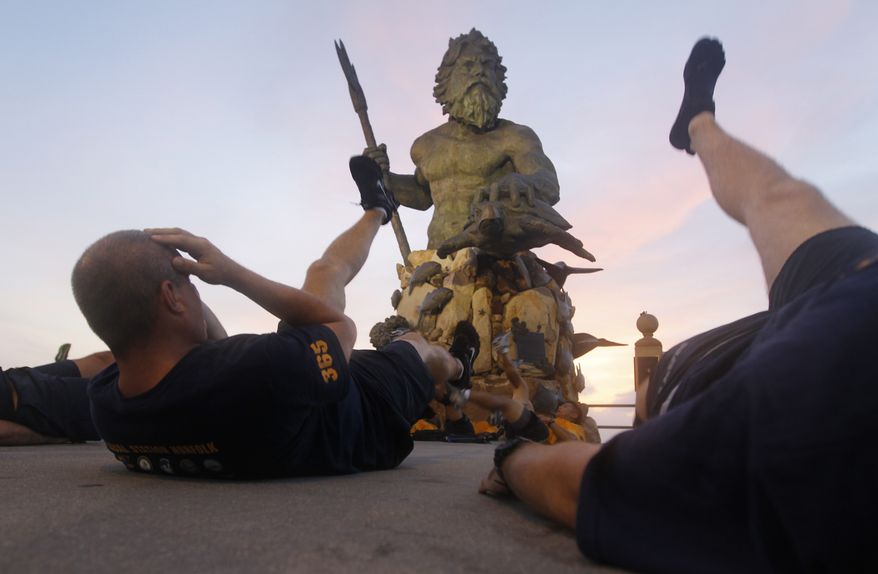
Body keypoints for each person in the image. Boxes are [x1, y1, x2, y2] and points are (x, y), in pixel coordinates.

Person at [478, 38, 878, 572]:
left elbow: (586, 489)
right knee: (783, 198)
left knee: (655, 390)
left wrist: (514, 459)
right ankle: (699, 123)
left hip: (773, 375)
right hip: (858, 291)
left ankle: (699, 126)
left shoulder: (789, 435)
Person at [72, 156, 479, 479]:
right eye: (189, 287)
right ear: (170, 298)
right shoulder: (260, 366)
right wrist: (231, 274)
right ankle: (461, 366)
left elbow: (206, 355)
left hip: (289, 395)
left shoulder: (108, 404)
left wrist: (174, 283)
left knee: (321, 275)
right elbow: (340, 328)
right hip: (364, 414)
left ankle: (377, 209)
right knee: (414, 346)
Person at [366, 29, 560, 249]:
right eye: (468, 66)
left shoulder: (514, 137)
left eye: (487, 66)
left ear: (499, 80)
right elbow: (422, 196)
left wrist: (525, 182)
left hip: (499, 262)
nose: (479, 72)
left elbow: (548, 183)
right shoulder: (426, 145)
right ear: (447, 82)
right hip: (439, 260)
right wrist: (381, 176)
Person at [0, 350, 113, 445]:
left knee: (102, 360)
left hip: (16, 378)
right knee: (111, 400)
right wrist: (49, 437)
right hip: (24, 397)